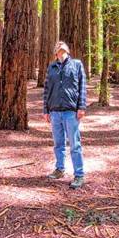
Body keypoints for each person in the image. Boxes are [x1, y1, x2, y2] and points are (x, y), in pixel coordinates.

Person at [43, 41, 86, 189]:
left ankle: (79, 175)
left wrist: (81, 107)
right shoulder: (51, 68)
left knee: (75, 145)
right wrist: (46, 110)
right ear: (55, 53)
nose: (60, 46)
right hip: (55, 112)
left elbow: (82, 87)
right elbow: (47, 90)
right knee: (58, 144)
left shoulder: (76, 64)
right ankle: (60, 169)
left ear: (68, 49)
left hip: (71, 112)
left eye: (63, 45)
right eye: (57, 46)